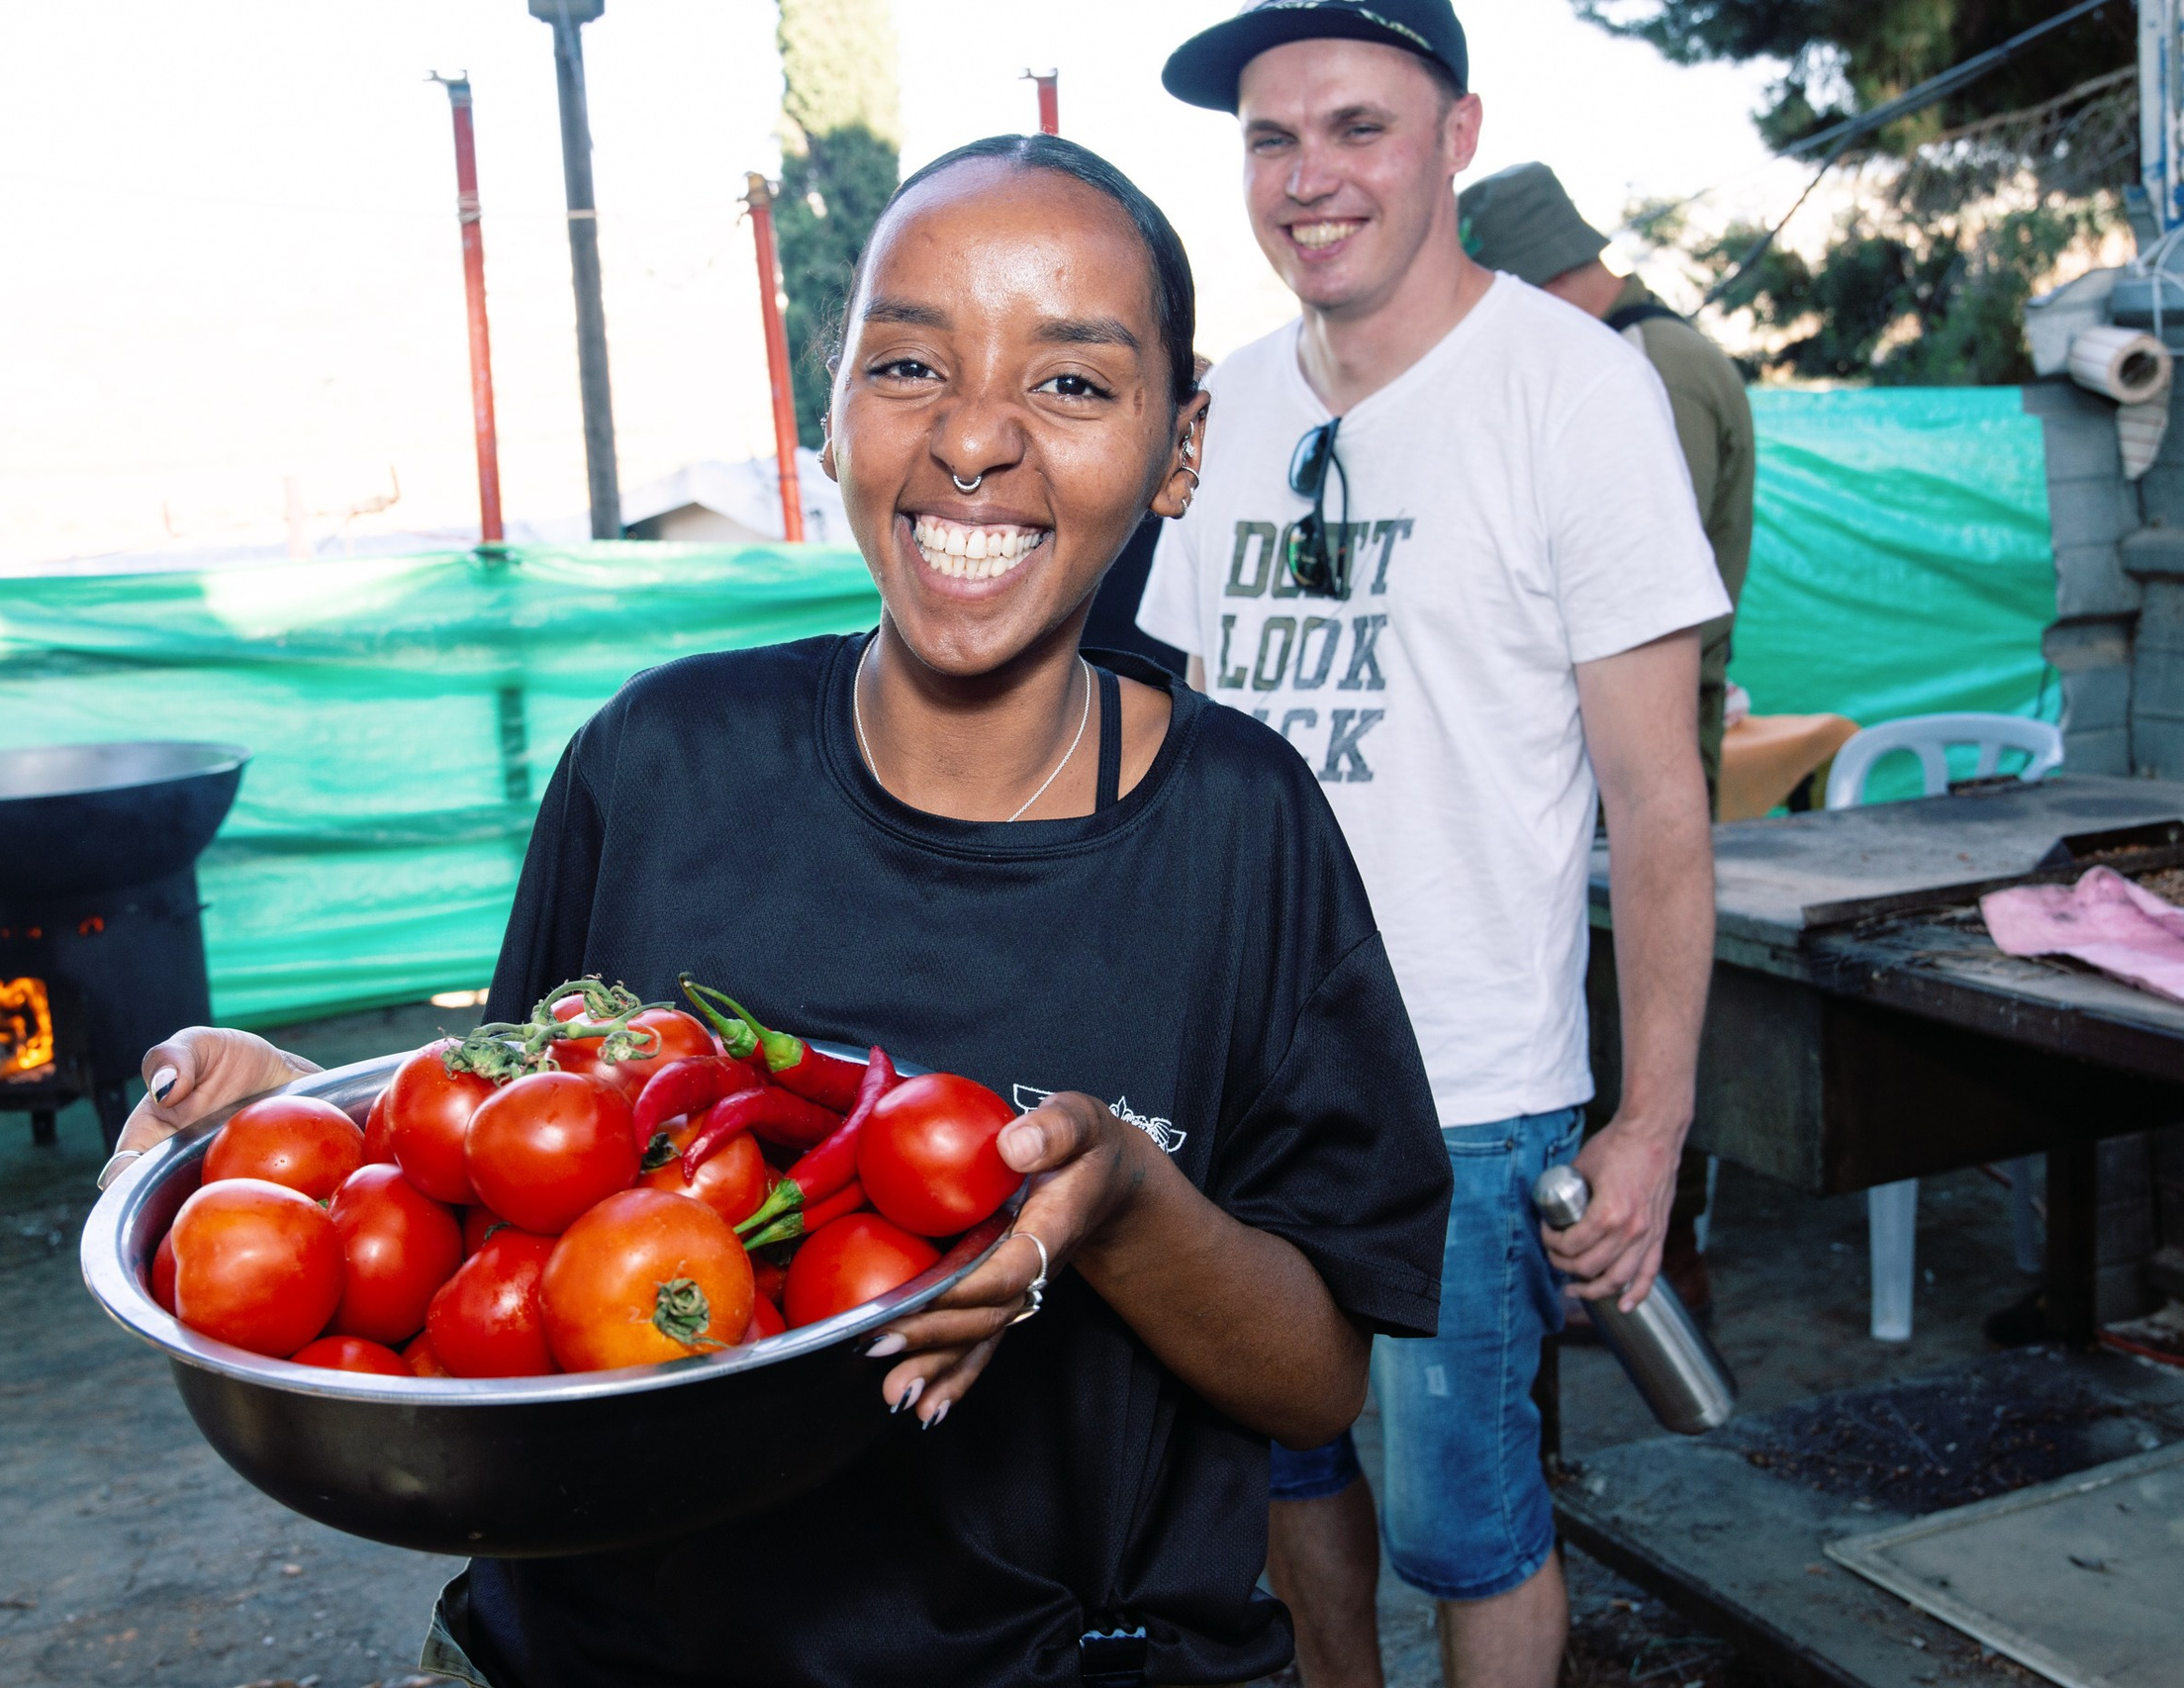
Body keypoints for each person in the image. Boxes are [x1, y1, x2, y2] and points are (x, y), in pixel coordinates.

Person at [109, 133, 1452, 1688]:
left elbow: (1314, 1380)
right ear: (833, 407)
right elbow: (517, 1199)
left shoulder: (1242, 827)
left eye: (1074, 382)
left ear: (1180, 444)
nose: (974, 438)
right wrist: (309, 1145)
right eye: (909, 365)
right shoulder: (658, 761)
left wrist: (1130, 1204)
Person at [1140, 6, 1727, 1687]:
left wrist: (1651, 1122)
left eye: (1357, 128)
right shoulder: (1229, 406)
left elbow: (1660, 803)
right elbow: (1187, 747)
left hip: (1464, 1092)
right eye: (1271, 138)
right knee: (1282, 1469)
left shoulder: (1576, 392)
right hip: (1248, 1082)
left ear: (1458, 136)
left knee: (1469, 1524)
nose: (1307, 177)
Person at [1461, 159, 1757, 1318]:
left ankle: (1650, 1264)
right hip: (1620, 738)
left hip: (1633, 746)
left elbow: (1626, 595)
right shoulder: (1659, 349)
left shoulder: (1636, 372)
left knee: (1635, 1017)